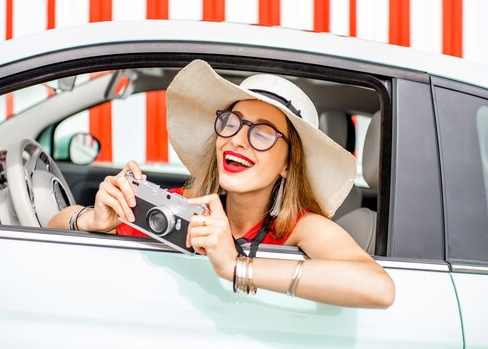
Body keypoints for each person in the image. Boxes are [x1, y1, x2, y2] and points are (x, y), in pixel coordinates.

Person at [48, 60, 395, 308]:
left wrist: (236, 266)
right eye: (231, 122)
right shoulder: (186, 208)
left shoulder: (300, 227)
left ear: (288, 165)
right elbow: (55, 224)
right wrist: (93, 220)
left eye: (261, 133)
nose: (237, 140)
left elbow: (379, 287)